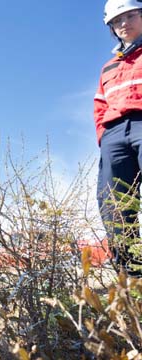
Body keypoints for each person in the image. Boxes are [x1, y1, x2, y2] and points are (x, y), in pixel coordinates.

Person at [95, 0, 142, 277]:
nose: (124, 23)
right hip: (114, 134)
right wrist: (105, 136)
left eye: (130, 15)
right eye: (117, 21)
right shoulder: (108, 67)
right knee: (115, 205)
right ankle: (133, 277)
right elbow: (99, 105)